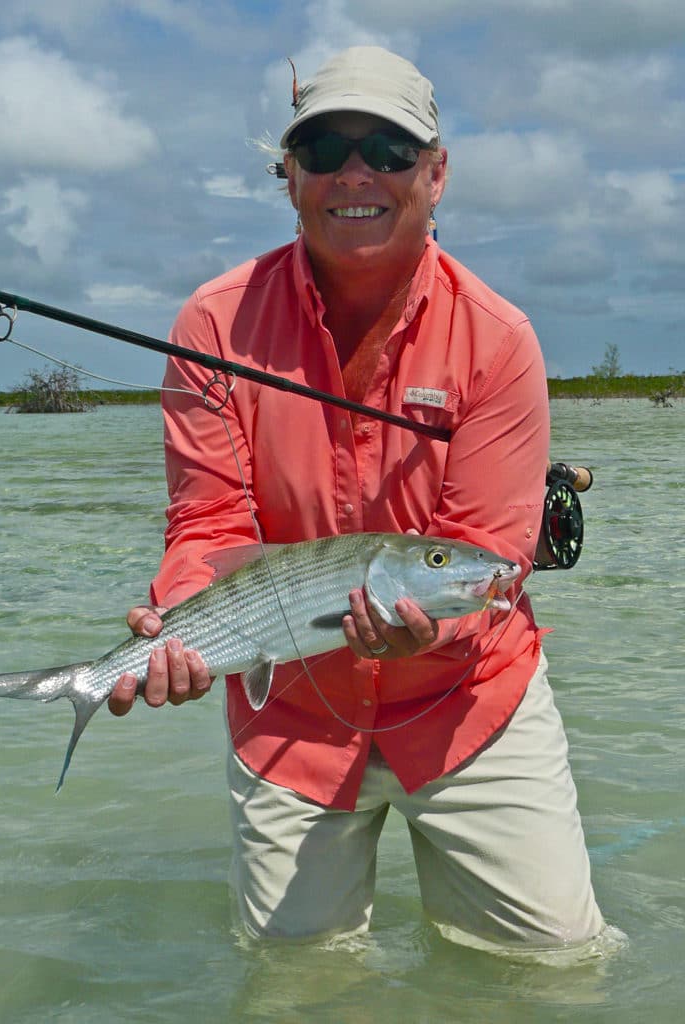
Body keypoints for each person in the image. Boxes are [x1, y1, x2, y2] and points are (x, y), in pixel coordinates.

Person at [108, 45, 604, 952]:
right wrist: (184, 617)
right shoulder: (212, 327)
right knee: (293, 990)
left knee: (557, 972)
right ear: (290, 176)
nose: (356, 174)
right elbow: (209, 524)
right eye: (326, 149)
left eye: (388, 149)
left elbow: (489, 552)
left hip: (468, 703)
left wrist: (438, 623)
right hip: (288, 716)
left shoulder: (498, 342)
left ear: (437, 172)